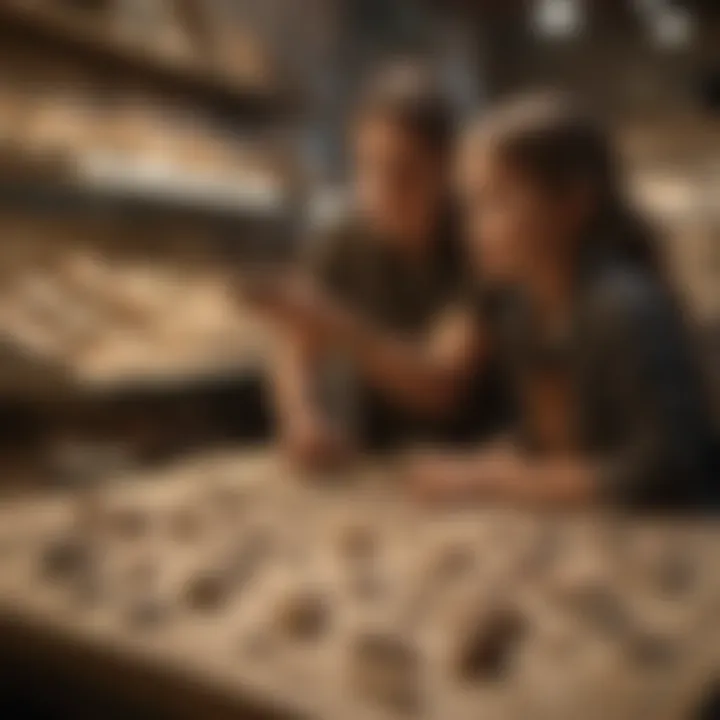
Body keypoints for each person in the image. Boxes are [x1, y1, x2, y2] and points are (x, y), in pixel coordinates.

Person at [407, 92, 717, 509]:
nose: (474, 227)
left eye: (496, 201)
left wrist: (496, 481)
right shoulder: (520, 312)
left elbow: (664, 470)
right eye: (470, 205)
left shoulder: (623, 309)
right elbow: (551, 444)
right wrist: (471, 469)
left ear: (573, 202)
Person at [244, 62, 506, 469]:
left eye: (403, 171)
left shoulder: (483, 241)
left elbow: (443, 386)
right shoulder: (344, 235)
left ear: (446, 170)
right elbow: (296, 340)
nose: (380, 190)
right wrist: (301, 417)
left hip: (474, 455)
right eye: (367, 167)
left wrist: (334, 324)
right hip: (384, 455)